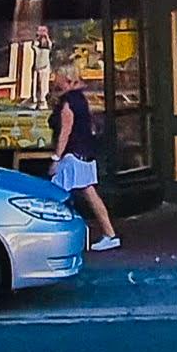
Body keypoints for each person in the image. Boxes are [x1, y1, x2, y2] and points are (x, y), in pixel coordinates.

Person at [51, 63, 120, 251]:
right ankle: (109, 233)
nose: (54, 80)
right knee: (89, 193)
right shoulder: (81, 99)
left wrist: (56, 158)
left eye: (57, 77)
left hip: (72, 155)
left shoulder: (67, 103)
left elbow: (65, 132)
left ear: (65, 79)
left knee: (55, 194)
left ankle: (58, 235)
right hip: (85, 153)